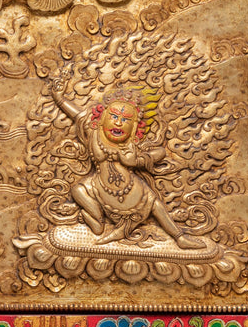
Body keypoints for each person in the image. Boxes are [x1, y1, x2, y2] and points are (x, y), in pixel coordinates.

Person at [50, 75, 205, 249]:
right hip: (98, 187)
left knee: (155, 204)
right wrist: (59, 98)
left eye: (125, 120)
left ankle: (179, 237)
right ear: (102, 118)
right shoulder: (94, 134)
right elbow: (77, 114)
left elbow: (160, 152)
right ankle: (97, 220)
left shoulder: (130, 144)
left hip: (132, 189)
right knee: (78, 191)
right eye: (114, 117)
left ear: (134, 127)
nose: (118, 123)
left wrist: (137, 161)